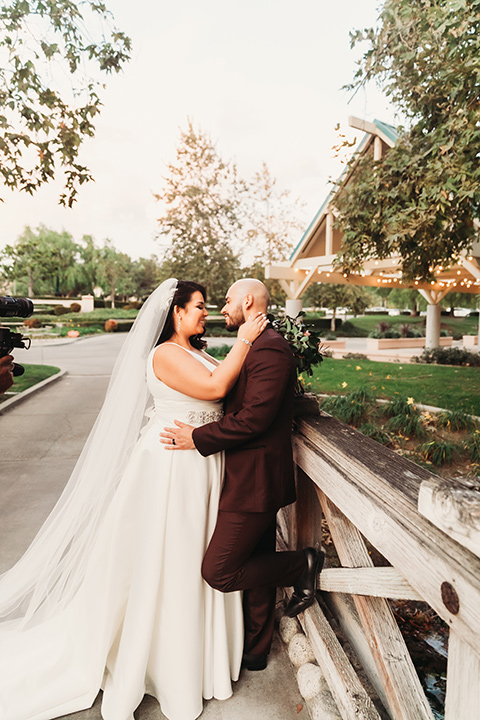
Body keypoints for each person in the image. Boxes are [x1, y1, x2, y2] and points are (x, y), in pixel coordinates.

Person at [0, 278, 268, 720]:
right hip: (170, 471)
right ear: (176, 313)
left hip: (198, 465)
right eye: (198, 306)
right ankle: (161, 664)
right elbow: (217, 389)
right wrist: (244, 341)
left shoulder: (196, 350)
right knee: (171, 561)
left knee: (192, 559)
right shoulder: (164, 354)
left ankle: (194, 658)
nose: (205, 312)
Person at [161, 279, 324, 672]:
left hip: (255, 478)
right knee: (257, 558)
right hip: (243, 472)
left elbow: (255, 417)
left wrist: (197, 437)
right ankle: (255, 649)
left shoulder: (269, 348)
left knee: (218, 570)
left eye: (228, 300)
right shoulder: (256, 345)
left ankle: (303, 564)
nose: (222, 308)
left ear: (248, 301)